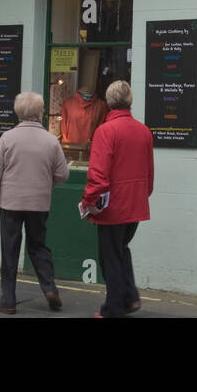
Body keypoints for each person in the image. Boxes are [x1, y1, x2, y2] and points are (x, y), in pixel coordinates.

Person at [0, 91, 68, 313]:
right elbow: (63, 174)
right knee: (38, 246)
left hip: (11, 203)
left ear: (18, 112)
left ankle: (8, 301)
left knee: (10, 250)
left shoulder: (7, 138)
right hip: (39, 204)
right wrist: (46, 184)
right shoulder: (50, 140)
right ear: (40, 112)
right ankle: (50, 289)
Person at [81, 80, 154, 318]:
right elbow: (149, 172)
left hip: (112, 207)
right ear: (129, 100)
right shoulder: (143, 131)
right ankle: (129, 297)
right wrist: (143, 195)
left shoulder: (105, 131)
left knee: (109, 258)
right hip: (135, 204)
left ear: (109, 102)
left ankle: (113, 309)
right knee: (121, 250)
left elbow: (99, 174)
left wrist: (89, 201)